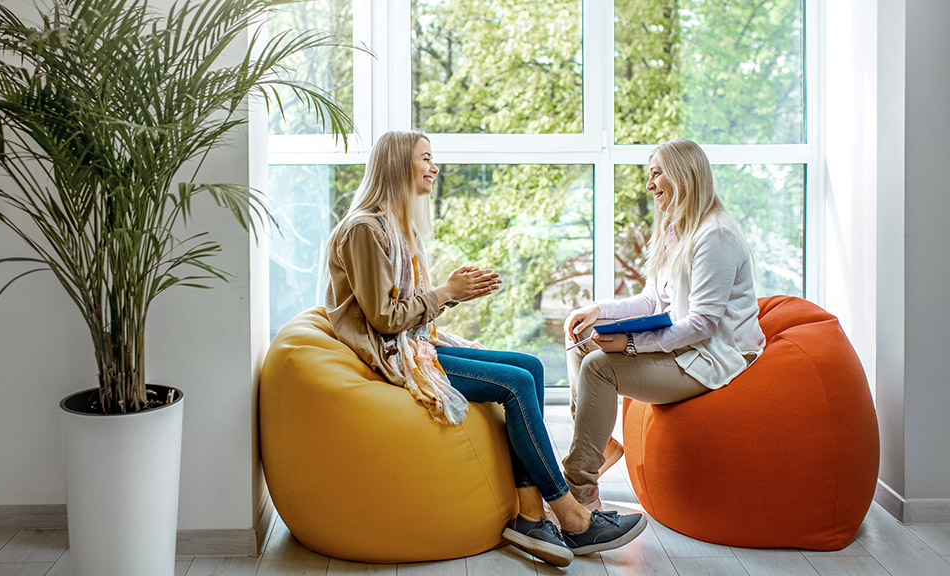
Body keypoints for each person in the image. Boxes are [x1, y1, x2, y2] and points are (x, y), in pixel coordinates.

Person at [325, 130, 646, 566]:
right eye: (426, 158)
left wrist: (454, 293)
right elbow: (385, 319)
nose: (434, 167)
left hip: (412, 343)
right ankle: (571, 515)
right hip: (391, 355)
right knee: (514, 384)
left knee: (530, 366)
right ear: (399, 165)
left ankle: (531, 516)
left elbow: (405, 314)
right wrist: (445, 291)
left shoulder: (394, 227)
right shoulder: (365, 229)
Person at [562, 137, 766, 509]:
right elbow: (652, 301)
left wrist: (632, 344)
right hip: (686, 348)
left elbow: (702, 324)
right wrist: (598, 310)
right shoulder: (676, 231)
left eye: (657, 174)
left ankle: (579, 493)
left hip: (710, 358)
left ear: (683, 176)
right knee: (579, 339)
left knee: (598, 367)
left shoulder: (715, 236)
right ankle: (600, 443)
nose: (649, 184)